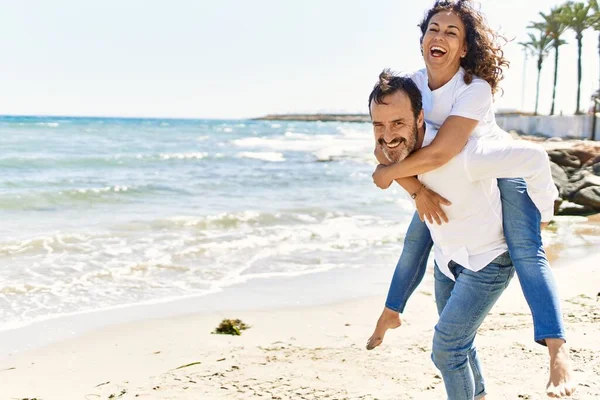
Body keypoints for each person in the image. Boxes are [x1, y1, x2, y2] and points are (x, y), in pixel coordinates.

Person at [366, 0, 575, 397]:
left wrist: (543, 208)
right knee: (418, 239)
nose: (439, 37)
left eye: (451, 32)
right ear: (422, 38)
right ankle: (392, 311)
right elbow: (386, 140)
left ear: (463, 48)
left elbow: (444, 151)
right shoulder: (410, 85)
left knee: (527, 252)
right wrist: (417, 190)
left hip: (495, 170)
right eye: (433, 29)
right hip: (442, 183)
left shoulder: (473, 88)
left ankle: (556, 349)